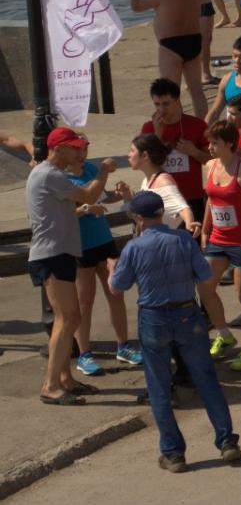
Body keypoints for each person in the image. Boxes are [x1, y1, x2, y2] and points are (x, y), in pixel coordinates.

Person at [109, 191, 241, 472]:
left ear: (138, 218)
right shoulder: (182, 240)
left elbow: (117, 287)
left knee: (158, 384)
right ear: (161, 214)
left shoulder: (134, 248)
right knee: (206, 377)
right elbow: (205, 277)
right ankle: (227, 441)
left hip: (154, 316)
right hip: (186, 312)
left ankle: (173, 453)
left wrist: (113, 269)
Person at [28, 128, 115, 405]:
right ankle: (50, 385)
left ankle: (64, 378)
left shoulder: (51, 174)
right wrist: (102, 172)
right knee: (67, 318)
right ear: (59, 148)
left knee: (69, 318)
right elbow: (88, 195)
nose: (80, 153)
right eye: (75, 148)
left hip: (58, 252)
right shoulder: (50, 174)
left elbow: (77, 206)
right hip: (51, 254)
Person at [67, 149, 142, 375]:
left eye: (84, 148)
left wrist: (119, 194)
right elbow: (66, 214)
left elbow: (102, 195)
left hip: (104, 240)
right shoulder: (62, 177)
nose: (82, 154)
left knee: (115, 292)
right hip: (81, 244)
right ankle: (84, 354)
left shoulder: (91, 168)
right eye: (77, 150)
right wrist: (88, 208)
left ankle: (123, 346)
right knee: (84, 301)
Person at [200, 121, 241, 371]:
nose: (210, 147)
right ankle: (224, 334)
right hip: (218, 238)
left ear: (229, 143)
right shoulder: (210, 165)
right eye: (210, 142)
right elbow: (210, 200)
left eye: (215, 142)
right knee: (204, 287)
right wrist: (205, 230)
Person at [132, 0, 207, 117]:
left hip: (170, 45)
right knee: (196, 90)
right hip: (193, 40)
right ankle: (203, 128)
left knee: (171, 94)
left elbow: (136, 6)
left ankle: (177, 130)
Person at [142, 78, 210, 220]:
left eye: (166, 104)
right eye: (157, 104)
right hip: (160, 196)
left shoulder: (197, 125)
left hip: (191, 196)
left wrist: (195, 152)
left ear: (177, 100)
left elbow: (213, 161)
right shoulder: (149, 128)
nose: (161, 109)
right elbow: (144, 163)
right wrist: (157, 136)